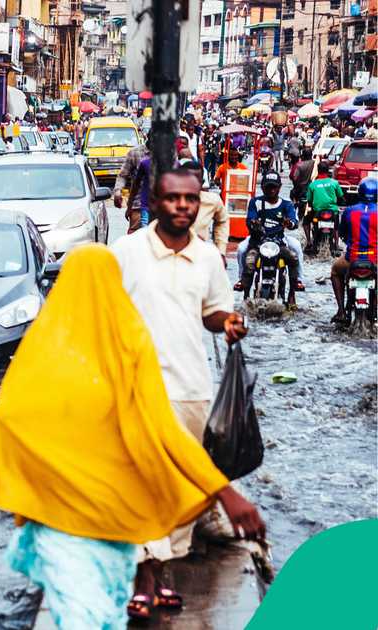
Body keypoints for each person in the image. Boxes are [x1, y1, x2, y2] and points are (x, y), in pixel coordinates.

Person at [0, 244, 264, 629]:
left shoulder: (43, 344)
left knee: (75, 614)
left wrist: (33, 484)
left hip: (56, 520)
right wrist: (224, 491)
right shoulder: (130, 341)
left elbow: (10, 418)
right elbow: (165, 430)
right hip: (112, 522)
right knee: (102, 615)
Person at [111, 166, 254, 620]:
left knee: (179, 489)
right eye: (173, 199)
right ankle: (143, 578)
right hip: (136, 387)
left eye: (190, 200)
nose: (182, 207)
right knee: (140, 485)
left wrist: (228, 323)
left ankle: (164, 570)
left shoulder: (209, 257)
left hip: (192, 386)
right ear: (155, 200)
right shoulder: (126, 253)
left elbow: (212, 311)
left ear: (199, 203)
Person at [236, 173, 305, 303]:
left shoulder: (286, 204)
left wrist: (289, 223)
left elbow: (294, 222)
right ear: (262, 187)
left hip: (279, 241)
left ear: (279, 188)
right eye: (268, 187)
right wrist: (254, 223)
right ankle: (243, 284)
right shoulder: (255, 202)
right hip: (258, 242)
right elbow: (250, 219)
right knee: (242, 251)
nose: (271, 190)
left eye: (274, 187)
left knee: (294, 254)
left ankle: (295, 287)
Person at [331, 178, 378, 323]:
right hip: (374, 259)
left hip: (352, 259)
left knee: (335, 271)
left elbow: (343, 233)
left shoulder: (349, 211)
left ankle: (341, 310)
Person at [184, 160, 229, 259]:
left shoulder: (212, 201)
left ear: (202, 182)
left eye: (195, 180)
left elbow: (222, 221)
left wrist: (221, 251)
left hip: (200, 256)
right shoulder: (169, 201)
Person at [114, 134, 150, 229]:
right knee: (136, 239)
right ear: (148, 137)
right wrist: (118, 192)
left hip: (162, 207)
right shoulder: (135, 153)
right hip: (139, 206)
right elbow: (123, 176)